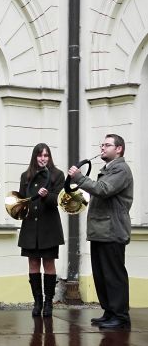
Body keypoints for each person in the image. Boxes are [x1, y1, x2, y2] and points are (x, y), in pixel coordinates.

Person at [68, 134, 133, 328]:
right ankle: (109, 312)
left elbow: (103, 189)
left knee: (114, 275)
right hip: (101, 231)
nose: (102, 148)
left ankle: (121, 317)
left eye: (107, 145)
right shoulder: (108, 168)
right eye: (102, 145)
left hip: (112, 231)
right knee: (102, 275)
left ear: (119, 149)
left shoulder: (121, 169)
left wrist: (78, 177)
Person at [19, 143, 65, 317]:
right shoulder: (26, 176)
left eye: (46, 155)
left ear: (49, 157)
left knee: (48, 264)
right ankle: (37, 302)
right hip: (30, 226)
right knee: (33, 264)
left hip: (49, 227)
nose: (43, 158)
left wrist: (47, 196)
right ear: (35, 157)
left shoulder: (57, 175)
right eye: (40, 155)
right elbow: (23, 200)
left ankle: (48, 303)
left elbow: (59, 200)